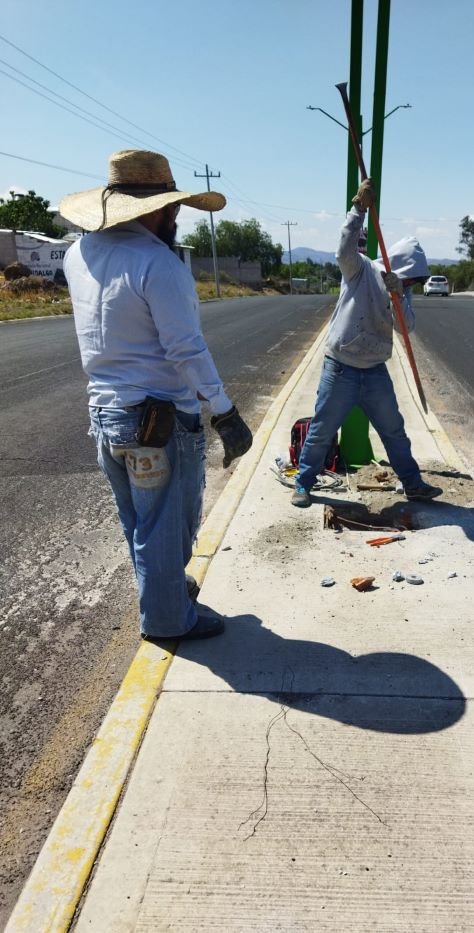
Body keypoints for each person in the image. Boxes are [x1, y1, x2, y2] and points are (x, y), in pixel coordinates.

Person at [61, 149, 252, 640]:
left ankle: (165, 591)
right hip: (158, 421)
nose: (176, 217)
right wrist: (224, 412)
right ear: (153, 209)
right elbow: (185, 349)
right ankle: (168, 620)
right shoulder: (158, 263)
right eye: (172, 208)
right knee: (169, 524)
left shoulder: (78, 254)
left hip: (106, 414)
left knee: (140, 523)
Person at [291, 178, 442, 508]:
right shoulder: (360, 269)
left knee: (394, 431)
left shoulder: (401, 289)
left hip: (374, 372)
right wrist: (358, 209)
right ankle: (303, 483)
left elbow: (406, 328)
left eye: (414, 282)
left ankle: (413, 484)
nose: (412, 285)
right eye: (410, 279)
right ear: (400, 265)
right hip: (340, 369)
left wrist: (398, 295)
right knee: (322, 429)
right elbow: (343, 250)